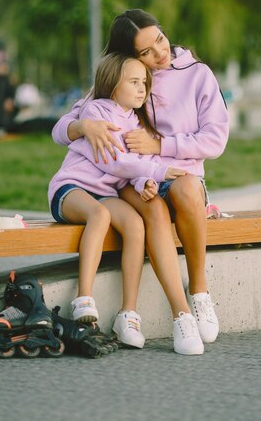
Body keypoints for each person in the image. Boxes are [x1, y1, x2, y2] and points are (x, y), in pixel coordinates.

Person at [52, 9, 229, 353]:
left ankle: (200, 293)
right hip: (133, 182)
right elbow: (61, 129)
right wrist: (83, 127)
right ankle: (182, 316)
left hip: (178, 175)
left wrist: (162, 145)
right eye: (146, 51)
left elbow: (216, 139)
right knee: (154, 210)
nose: (160, 53)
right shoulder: (126, 79)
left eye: (160, 39)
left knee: (190, 188)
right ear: (131, 56)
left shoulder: (197, 75)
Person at [48, 52, 188, 350]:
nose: (142, 89)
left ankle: (128, 313)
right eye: (134, 82)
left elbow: (132, 167)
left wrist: (146, 183)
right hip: (71, 189)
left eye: (145, 83)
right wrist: (159, 171)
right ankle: (83, 299)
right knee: (99, 215)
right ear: (112, 85)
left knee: (136, 225)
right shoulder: (97, 112)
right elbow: (115, 163)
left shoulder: (135, 122)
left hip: (105, 193)